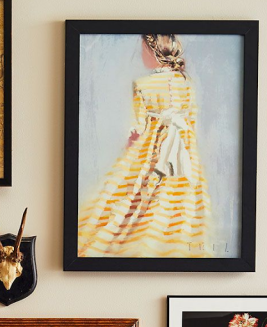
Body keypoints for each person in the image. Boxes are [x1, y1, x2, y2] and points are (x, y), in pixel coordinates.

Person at [78, 33, 212, 259]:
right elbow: (192, 121)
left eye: (143, 51)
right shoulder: (186, 83)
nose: (141, 55)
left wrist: (131, 143)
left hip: (151, 147)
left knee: (137, 189)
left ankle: (138, 239)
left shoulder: (142, 84)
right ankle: (169, 242)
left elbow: (139, 126)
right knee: (178, 195)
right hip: (183, 146)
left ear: (154, 52)